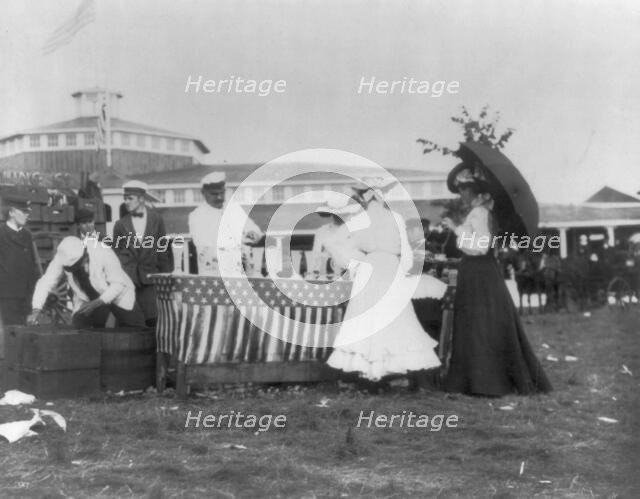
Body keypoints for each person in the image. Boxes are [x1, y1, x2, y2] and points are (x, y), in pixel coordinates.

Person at [441, 165, 552, 396]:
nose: (461, 194)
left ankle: (484, 381)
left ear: (474, 191)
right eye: (461, 189)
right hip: (479, 272)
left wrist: (456, 229)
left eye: (464, 189)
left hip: (478, 271)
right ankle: (476, 379)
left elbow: (480, 247)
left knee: (480, 322)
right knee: (479, 322)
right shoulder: (479, 212)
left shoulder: (479, 213)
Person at [326, 177, 441, 382]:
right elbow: (405, 249)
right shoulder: (395, 217)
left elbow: (334, 242)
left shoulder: (358, 219)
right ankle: (387, 368)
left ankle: (369, 369)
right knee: (391, 315)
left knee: (369, 316)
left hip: (369, 269)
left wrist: (357, 260)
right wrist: (406, 271)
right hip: (389, 268)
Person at [27, 236, 145, 328]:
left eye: (77, 266)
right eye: (71, 269)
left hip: (120, 294)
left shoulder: (102, 251)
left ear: (85, 256)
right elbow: (45, 282)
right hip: (87, 299)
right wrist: (36, 309)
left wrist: (97, 302)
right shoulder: (62, 257)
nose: (75, 270)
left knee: (135, 330)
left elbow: (118, 284)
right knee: (81, 328)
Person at [112, 180, 171, 327]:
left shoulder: (156, 219)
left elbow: (162, 250)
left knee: (153, 321)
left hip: (150, 280)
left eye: (130, 198)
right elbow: (116, 255)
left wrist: (166, 277)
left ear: (142, 199)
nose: (126, 201)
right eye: (125, 198)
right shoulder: (120, 225)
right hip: (128, 282)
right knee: (128, 322)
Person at [188, 172, 263, 276]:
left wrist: (251, 234)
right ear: (203, 192)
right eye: (214, 194)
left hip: (239, 272)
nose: (219, 197)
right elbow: (205, 244)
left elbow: (255, 231)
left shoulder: (234, 209)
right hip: (213, 273)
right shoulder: (197, 216)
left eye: (222, 193)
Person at [0, 195, 39, 326]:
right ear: (11, 212)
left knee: (25, 334)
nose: (27, 215)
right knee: (11, 334)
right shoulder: (1, 234)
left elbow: (32, 265)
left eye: (28, 212)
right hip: (7, 296)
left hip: (26, 295)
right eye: (23, 211)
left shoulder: (27, 235)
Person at [310, 193, 360, 277]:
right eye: (336, 215)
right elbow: (316, 256)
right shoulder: (322, 232)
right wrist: (316, 272)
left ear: (349, 214)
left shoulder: (357, 230)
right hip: (330, 274)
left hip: (354, 274)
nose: (340, 217)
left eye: (343, 214)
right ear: (331, 215)